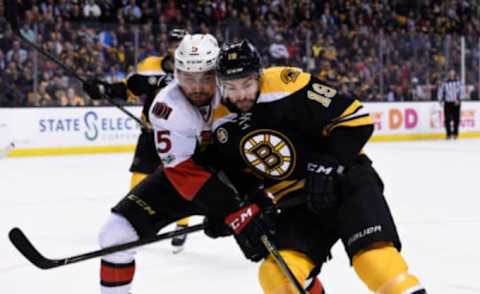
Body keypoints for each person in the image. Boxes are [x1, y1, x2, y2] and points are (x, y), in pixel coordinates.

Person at [203, 40, 427, 294]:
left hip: (346, 182)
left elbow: (356, 120)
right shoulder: (218, 120)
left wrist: (329, 165)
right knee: (277, 275)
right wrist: (231, 213)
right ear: (220, 84)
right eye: (231, 87)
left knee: (375, 262)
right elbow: (240, 177)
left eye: (247, 84)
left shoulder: (287, 85)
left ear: (259, 75)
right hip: (296, 203)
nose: (240, 94)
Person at [94, 33, 246, 294]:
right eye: (188, 77)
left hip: (240, 177)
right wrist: (226, 208)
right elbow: (183, 173)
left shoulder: (239, 91)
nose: (197, 86)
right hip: (187, 176)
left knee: (279, 245)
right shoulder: (166, 106)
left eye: (205, 77)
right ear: (176, 73)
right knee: (115, 234)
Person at [84, 29, 194, 252]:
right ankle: (135, 219)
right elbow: (129, 88)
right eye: (172, 43)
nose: (175, 47)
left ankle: (181, 225)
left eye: (180, 43)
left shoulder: (195, 71)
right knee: (140, 176)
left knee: (182, 177)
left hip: (181, 135)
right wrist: (105, 89)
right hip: (150, 132)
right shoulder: (150, 66)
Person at [437, 69, 464, 139]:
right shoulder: (445, 83)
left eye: (453, 74)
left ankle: (455, 133)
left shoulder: (458, 82)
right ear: (448, 75)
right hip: (447, 102)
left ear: (454, 74)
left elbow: (461, 91)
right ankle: (448, 134)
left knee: (456, 119)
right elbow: (440, 91)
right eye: (450, 74)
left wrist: (459, 99)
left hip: (456, 102)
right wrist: (440, 100)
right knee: (447, 119)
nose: (451, 75)